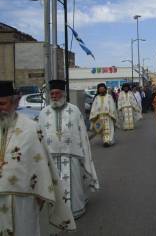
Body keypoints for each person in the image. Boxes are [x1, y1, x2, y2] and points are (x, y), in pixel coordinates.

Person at [0, 81, 76, 235]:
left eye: (2, 103)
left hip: (22, 198)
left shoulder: (30, 128)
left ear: (15, 101)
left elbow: (41, 164)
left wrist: (41, 194)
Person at [38, 79, 99, 219]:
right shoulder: (43, 113)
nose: (53, 96)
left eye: (56, 93)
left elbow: (82, 133)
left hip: (72, 154)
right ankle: (58, 212)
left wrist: (84, 153)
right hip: (51, 157)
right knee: (54, 185)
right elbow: (39, 136)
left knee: (75, 184)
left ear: (63, 94)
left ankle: (77, 209)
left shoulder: (74, 110)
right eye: (51, 93)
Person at [90, 83, 118, 147]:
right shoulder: (96, 98)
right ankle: (105, 141)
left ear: (105, 89)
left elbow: (112, 106)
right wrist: (94, 116)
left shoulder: (109, 97)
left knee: (109, 129)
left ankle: (109, 141)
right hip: (100, 117)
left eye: (103, 89)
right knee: (102, 130)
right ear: (98, 90)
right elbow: (94, 107)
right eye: (100, 89)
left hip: (108, 116)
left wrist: (111, 114)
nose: (101, 90)